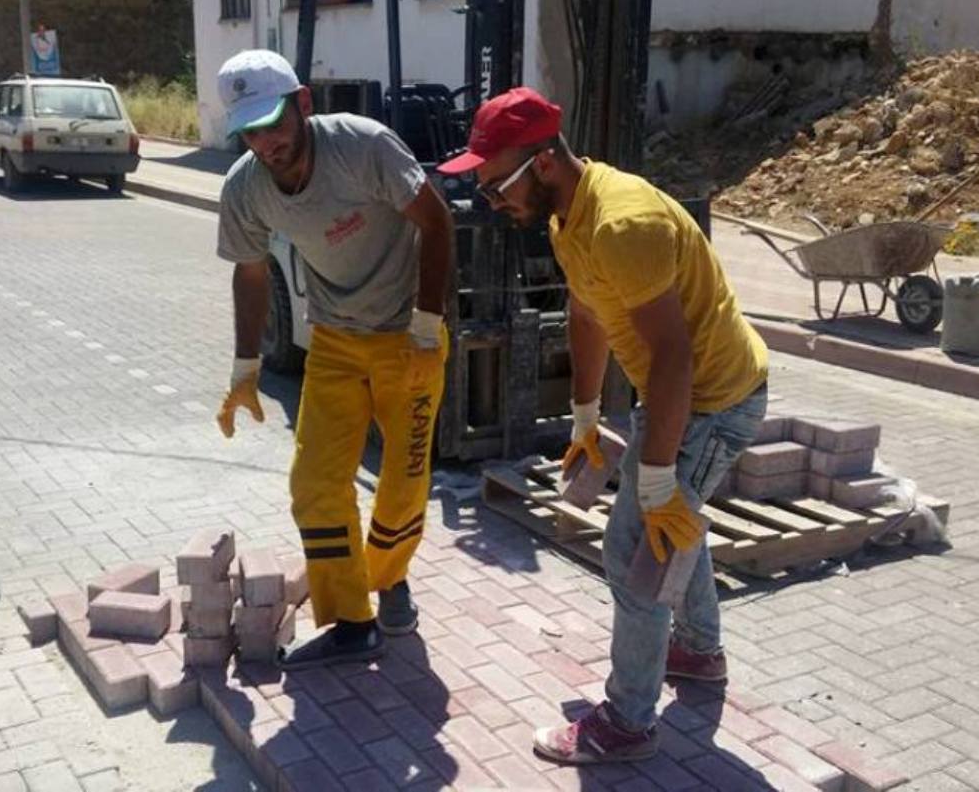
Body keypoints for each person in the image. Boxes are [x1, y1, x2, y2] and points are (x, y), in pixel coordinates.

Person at [438, 88, 769, 764]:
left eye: (497, 186)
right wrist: (585, 415)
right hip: (683, 393)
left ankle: (627, 718)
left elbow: (674, 356)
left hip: (716, 400)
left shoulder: (623, 224)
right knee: (675, 525)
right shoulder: (568, 223)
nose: (493, 204)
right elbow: (588, 316)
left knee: (636, 547)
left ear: (546, 162)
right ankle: (699, 652)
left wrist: (652, 477)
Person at [212, 50, 455, 669]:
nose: (267, 142)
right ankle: (351, 619)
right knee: (315, 485)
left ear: (304, 104)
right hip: (335, 342)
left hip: (409, 339)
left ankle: (390, 578)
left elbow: (436, 220)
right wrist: (246, 367)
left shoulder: (364, 147)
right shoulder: (244, 187)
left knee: (402, 487)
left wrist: (428, 324)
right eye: (251, 130)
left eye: (275, 122)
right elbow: (250, 271)